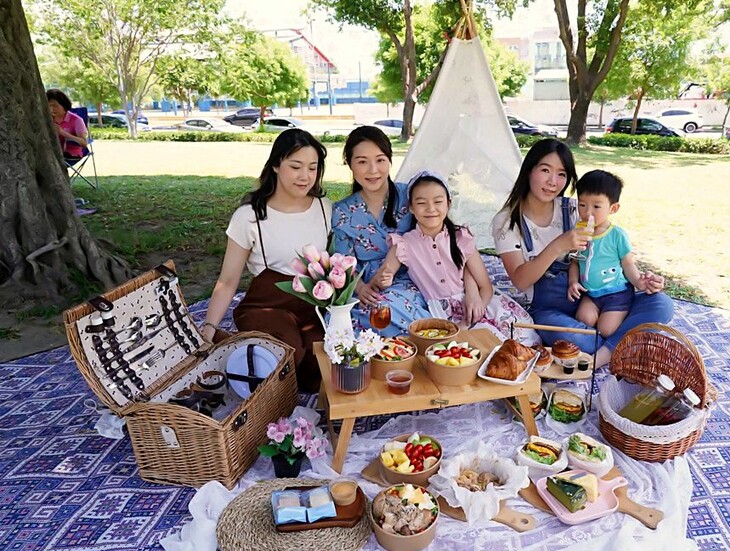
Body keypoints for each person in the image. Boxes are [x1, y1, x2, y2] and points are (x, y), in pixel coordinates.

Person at [491, 138, 673, 366]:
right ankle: (622, 343)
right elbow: (520, 280)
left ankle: (607, 349)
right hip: (550, 309)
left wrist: (642, 279)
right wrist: (559, 245)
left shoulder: (577, 208)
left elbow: (609, 246)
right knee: (572, 339)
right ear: (529, 170)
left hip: (596, 297)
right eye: (545, 170)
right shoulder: (507, 221)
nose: (552, 182)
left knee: (661, 304)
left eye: (561, 174)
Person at [201, 129, 331, 393]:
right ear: (275, 165)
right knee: (284, 353)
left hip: (310, 306)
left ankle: (243, 349)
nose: (305, 176)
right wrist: (209, 327)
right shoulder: (249, 216)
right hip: (267, 306)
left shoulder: (324, 207)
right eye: (295, 166)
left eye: (312, 168)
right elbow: (227, 282)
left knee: (324, 365)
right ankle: (237, 347)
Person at [376, 171, 539, 343]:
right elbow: (383, 277)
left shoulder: (461, 237)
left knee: (523, 337)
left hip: (482, 303)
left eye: (438, 202)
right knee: (481, 346)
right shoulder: (404, 244)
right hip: (446, 315)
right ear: (411, 207)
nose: (431, 209)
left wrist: (478, 304)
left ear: (448, 204)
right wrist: (384, 280)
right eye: (421, 203)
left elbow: (486, 286)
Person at [332, 126, 431, 336]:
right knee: (343, 319)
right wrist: (361, 289)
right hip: (365, 286)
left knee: (386, 310)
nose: (373, 170)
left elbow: (440, 233)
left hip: (407, 279)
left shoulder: (410, 195)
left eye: (380, 160)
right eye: (362, 162)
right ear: (350, 164)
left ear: (389, 160)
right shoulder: (342, 211)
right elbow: (344, 262)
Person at [568, 170, 652, 338]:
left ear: (613, 208)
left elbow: (628, 263)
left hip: (617, 294)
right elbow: (575, 262)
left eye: (596, 206)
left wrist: (638, 282)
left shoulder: (616, 235)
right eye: (582, 205)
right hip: (591, 294)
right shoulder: (578, 231)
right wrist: (573, 282)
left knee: (606, 330)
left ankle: (623, 318)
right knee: (583, 320)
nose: (587, 212)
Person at [46, 89, 88, 161]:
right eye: (49, 106)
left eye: (55, 106)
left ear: (64, 105)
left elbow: (83, 143)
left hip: (69, 154)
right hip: (48, 153)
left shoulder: (76, 120)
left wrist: (62, 132)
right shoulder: (46, 119)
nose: (51, 109)